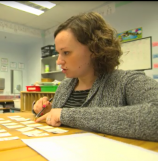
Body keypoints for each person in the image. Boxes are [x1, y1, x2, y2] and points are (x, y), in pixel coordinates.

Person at [35, 12, 158, 142]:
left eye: (66, 52)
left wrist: (67, 115)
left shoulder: (127, 81)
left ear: (94, 49)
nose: (59, 61)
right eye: (59, 53)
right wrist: (48, 110)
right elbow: (58, 117)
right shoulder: (65, 85)